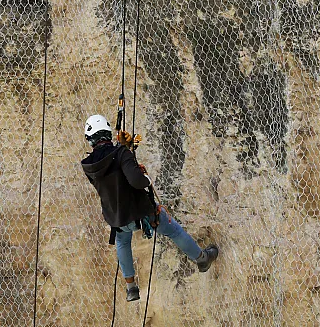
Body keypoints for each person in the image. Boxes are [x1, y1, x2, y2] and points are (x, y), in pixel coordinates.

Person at [80, 114, 218, 301]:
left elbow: (113, 171)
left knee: (122, 243)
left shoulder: (89, 166)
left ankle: (131, 288)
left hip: (117, 218)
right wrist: (144, 175)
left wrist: (125, 150)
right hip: (141, 213)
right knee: (174, 231)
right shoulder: (121, 154)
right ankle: (202, 259)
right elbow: (136, 181)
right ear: (107, 132)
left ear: (89, 139)